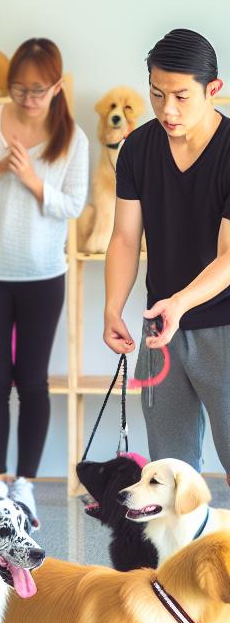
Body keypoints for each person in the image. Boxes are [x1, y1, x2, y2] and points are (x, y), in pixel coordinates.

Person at [0, 37, 88, 483]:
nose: (28, 99)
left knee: (33, 383)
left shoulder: (74, 139)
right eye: (18, 89)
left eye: (37, 90)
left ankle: (26, 486)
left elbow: (72, 206)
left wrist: (31, 179)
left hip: (43, 275)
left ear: (57, 88)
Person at [103, 29, 230, 479]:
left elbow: (228, 256)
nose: (167, 110)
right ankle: (179, 555)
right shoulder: (138, 147)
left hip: (224, 328)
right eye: (157, 94)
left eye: (180, 96)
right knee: (169, 476)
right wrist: (112, 308)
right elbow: (123, 238)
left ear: (213, 90)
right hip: (162, 330)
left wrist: (180, 303)